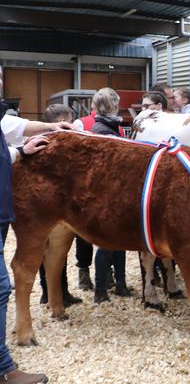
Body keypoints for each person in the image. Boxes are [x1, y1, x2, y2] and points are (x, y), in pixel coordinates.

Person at [0, 65, 53, 384]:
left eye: (0, 78)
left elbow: (13, 127)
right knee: (1, 287)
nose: (0, 83)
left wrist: (19, 150)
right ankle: (4, 368)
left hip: (1, 211)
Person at [90, 88, 133, 303]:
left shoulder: (108, 126)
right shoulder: (104, 130)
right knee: (107, 244)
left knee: (118, 242)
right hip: (108, 194)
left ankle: (120, 284)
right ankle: (101, 290)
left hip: (115, 193)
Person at [37, 105, 83, 308]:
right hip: (54, 203)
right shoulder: (56, 142)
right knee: (54, 251)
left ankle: (51, 293)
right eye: (70, 119)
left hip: (43, 203)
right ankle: (55, 293)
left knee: (47, 249)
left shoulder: (37, 139)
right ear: (63, 119)